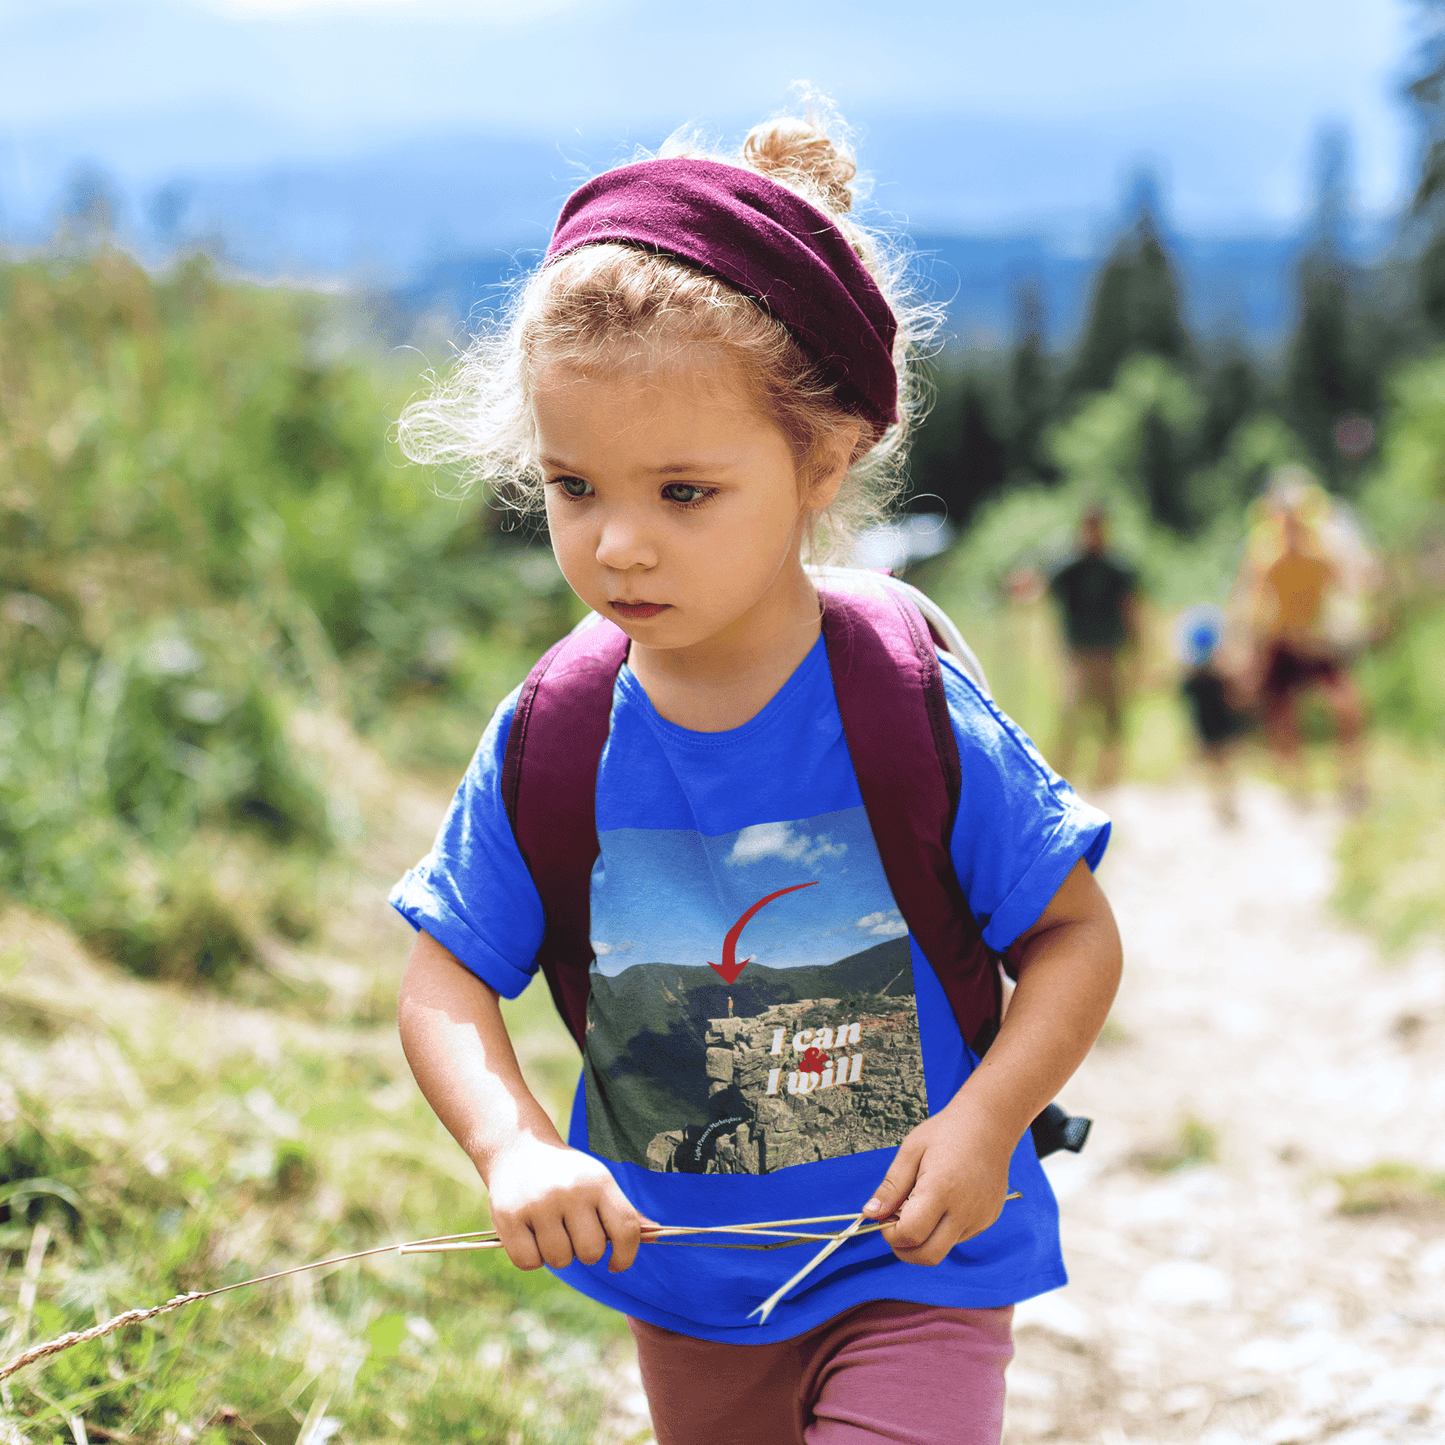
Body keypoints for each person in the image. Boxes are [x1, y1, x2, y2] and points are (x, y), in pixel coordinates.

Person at [388, 104, 1122, 1445]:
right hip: (686, 1289)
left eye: (682, 493)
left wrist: (984, 1122)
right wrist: (511, 1145)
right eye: (572, 486)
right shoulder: (553, 730)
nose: (617, 547)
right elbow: (444, 973)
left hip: (918, 1259)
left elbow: (1073, 937)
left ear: (821, 462)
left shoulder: (901, 703)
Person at [1242, 483, 1368, 807]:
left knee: (1347, 706)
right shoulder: (1265, 556)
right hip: (1281, 640)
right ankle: (1295, 782)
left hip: (1316, 640)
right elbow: (1254, 602)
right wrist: (1253, 648)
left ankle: (1350, 777)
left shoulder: (1321, 553)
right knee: (1281, 713)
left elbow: (1348, 587)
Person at [1046, 506, 1140, 788]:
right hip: (1079, 656)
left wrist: (1136, 651)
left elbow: (1131, 610)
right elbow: (1044, 594)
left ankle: (1106, 779)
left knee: (1113, 719)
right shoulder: (1069, 568)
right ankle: (1063, 775)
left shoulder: (1117, 569)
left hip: (1110, 654)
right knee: (1072, 717)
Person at [1175, 605, 1249, 825]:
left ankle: (1223, 801)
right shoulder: (1218, 677)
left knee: (1218, 764)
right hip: (1215, 726)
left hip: (1213, 726)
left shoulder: (1196, 679)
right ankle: (1223, 801)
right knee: (1222, 764)